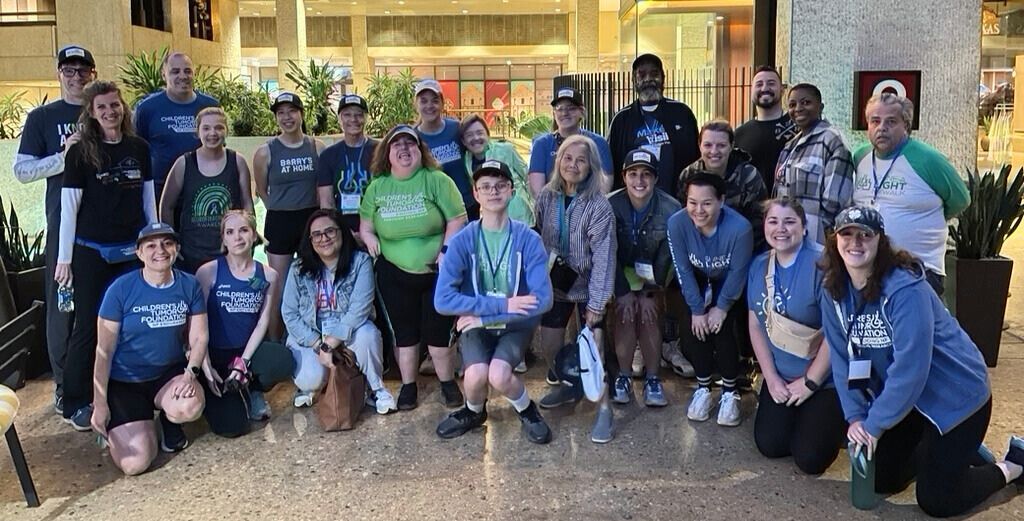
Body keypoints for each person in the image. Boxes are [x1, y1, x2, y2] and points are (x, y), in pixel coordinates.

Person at [819, 206, 1023, 517]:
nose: (855, 242)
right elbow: (841, 359)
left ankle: (1012, 465)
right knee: (882, 479)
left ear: (880, 241)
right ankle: (954, 453)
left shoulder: (905, 289)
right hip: (910, 404)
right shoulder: (833, 291)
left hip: (956, 397)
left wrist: (874, 426)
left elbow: (910, 371)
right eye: (847, 234)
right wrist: (856, 418)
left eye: (865, 234)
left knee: (937, 500)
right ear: (835, 240)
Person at [54, 80, 157, 431]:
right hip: (90, 253)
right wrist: (64, 258)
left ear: (123, 108)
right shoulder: (81, 153)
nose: (110, 112)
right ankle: (74, 400)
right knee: (87, 326)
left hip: (130, 251)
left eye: (115, 105)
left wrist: (154, 241)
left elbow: (148, 201)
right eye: (102, 108)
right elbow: (69, 207)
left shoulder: (139, 148)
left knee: (127, 323)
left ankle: (119, 391)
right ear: (92, 113)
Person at [433, 160, 554, 443]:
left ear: (511, 191)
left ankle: (527, 409)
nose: (493, 192)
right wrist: (500, 306)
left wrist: (485, 316)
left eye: (500, 185)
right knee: (475, 376)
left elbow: (544, 299)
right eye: (485, 187)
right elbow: (442, 300)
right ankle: (474, 411)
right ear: (475, 194)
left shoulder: (528, 239)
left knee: (499, 375)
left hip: (513, 325)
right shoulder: (463, 241)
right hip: (480, 323)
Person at [13, 45, 97, 415]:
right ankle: (65, 385)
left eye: (82, 70)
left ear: (92, 74)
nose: (75, 76)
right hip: (64, 230)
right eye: (69, 69)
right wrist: (63, 158)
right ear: (59, 72)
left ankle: (104, 380)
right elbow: (22, 171)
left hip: (104, 230)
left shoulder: (104, 110)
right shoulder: (42, 118)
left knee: (104, 306)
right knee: (63, 308)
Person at [359, 125, 467, 410]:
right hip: (393, 273)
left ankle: (447, 382)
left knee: (438, 333)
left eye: (411, 144)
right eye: (397, 144)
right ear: (387, 153)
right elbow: (366, 226)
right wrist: (370, 239)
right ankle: (408, 385)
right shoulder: (378, 186)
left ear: (421, 151)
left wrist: (445, 250)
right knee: (404, 334)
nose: (404, 149)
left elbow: (457, 219)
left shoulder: (437, 180)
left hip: (435, 272)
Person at [91, 223, 212, 474]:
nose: (160, 250)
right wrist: (99, 403)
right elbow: (104, 351)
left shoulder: (189, 285)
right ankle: (139, 424)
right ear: (139, 253)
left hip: (168, 373)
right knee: (135, 464)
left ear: (176, 248)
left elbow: (199, 337)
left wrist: (191, 373)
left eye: (167, 243)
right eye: (151, 245)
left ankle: (169, 422)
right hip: (126, 381)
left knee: (188, 406)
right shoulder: (120, 290)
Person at [748, 199, 845, 474]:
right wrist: (771, 377)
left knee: (810, 460)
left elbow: (835, 333)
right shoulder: (758, 266)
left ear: (804, 228)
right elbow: (755, 323)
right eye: (773, 221)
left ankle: (838, 420)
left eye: (790, 221)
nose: (781, 229)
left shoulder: (822, 266)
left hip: (823, 380)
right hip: (781, 374)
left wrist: (810, 382)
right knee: (770, 444)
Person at [534, 134, 616, 444]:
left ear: (591, 167)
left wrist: (597, 303)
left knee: (594, 349)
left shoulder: (599, 207)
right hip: (554, 286)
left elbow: (605, 259)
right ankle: (569, 385)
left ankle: (604, 409)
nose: (573, 165)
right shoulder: (546, 196)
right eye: (568, 158)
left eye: (581, 160)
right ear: (558, 162)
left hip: (588, 286)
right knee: (551, 344)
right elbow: (538, 238)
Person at [852, 93, 969, 296]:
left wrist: (922, 218)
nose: (882, 128)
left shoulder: (928, 159)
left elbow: (960, 200)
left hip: (918, 271)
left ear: (905, 125)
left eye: (891, 121)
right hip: (869, 270)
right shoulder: (859, 156)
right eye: (875, 121)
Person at [283, 209, 396, 413]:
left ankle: (376, 388)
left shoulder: (360, 262)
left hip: (349, 332)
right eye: (316, 234)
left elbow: (359, 310)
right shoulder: (297, 269)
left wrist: (330, 344)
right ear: (310, 240)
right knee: (310, 379)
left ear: (342, 233)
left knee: (367, 334)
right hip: (311, 335)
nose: (323, 238)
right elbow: (289, 313)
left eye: (330, 232)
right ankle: (310, 388)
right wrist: (318, 344)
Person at [195, 211, 295, 433]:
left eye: (243, 230)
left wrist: (244, 362)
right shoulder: (207, 272)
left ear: (253, 235)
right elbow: (197, 323)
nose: (237, 237)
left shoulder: (268, 275)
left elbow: (263, 321)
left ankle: (252, 387)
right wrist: (204, 361)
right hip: (213, 353)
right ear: (223, 239)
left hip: (246, 351)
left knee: (283, 360)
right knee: (234, 428)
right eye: (230, 232)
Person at [667, 173, 753, 427]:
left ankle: (730, 391)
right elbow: (682, 268)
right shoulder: (677, 223)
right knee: (695, 327)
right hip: (696, 278)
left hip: (728, 283)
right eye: (692, 202)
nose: (698, 210)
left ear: (721, 201)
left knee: (722, 327)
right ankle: (703, 387)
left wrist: (722, 307)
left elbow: (739, 272)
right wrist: (696, 309)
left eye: (706, 203)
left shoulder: (740, 229)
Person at [608, 150, 681, 407]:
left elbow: (667, 257)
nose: (640, 180)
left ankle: (652, 378)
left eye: (646, 174)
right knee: (625, 311)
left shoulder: (672, 209)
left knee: (649, 311)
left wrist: (651, 290)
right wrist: (623, 291)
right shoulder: (610, 205)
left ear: (656, 178)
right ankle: (625, 376)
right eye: (633, 174)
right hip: (621, 267)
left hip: (655, 269)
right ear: (624, 177)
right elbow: (609, 252)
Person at [252, 92, 326, 339]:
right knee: (279, 286)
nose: (287, 117)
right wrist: (279, 206)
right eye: (281, 113)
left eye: (292, 111)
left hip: (310, 220)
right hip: (280, 221)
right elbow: (261, 189)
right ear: (276, 118)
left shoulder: (317, 147)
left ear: (301, 114)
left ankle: (315, 336)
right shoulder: (266, 152)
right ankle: (275, 340)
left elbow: (322, 185)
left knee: (315, 283)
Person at [159, 107, 254, 272]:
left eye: (219, 127)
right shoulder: (184, 163)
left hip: (229, 251)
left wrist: (249, 236)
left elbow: (247, 203)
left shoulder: (237, 161)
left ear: (226, 130)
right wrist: (171, 241)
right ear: (198, 132)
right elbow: (166, 205)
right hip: (192, 253)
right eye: (206, 128)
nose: (213, 133)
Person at [774, 83, 854, 248]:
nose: (798, 108)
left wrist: (814, 234)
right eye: (792, 105)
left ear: (820, 107)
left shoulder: (832, 140)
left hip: (816, 242)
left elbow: (835, 202)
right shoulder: (790, 146)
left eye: (806, 102)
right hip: (788, 239)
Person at [607, 53, 700, 196]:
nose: (648, 79)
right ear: (634, 81)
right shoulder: (621, 120)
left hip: (678, 199)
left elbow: (696, 159)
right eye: (642, 75)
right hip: (635, 202)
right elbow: (612, 166)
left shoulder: (682, 114)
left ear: (663, 78)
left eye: (654, 74)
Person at [133, 51, 219, 195]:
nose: (182, 76)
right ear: (163, 75)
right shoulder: (147, 108)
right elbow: (137, 151)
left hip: (202, 189)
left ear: (194, 73)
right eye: (175, 71)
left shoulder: (210, 105)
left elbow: (218, 147)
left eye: (187, 71)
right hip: (159, 189)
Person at [680, 120, 768, 249]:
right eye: (708, 145)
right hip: (700, 249)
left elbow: (759, 223)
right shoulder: (688, 175)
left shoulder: (748, 176)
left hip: (740, 248)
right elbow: (684, 218)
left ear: (731, 146)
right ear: (699, 146)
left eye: (721, 145)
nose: (714, 151)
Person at [527, 87, 614, 197]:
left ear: (581, 112)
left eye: (571, 108)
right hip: (551, 207)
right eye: (559, 108)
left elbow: (605, 184)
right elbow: (537, 190)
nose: (565, 113)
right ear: (554, 113)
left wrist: (586, 208)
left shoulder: (598, 143)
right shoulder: (542, 144)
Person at [413, 79, 475, 219]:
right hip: (434, 210)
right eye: (424, 101)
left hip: (466, 205)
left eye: (435, 101)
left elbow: (476, 155)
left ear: (442, 103)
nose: (430, 106)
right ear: (416, 104)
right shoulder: (412, 137)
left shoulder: (457, 128)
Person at [317, 94, 378, 234]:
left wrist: (370, 232)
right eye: (347, 115)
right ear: (339, 119)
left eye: (359, 115)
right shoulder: (328, 155)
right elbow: (327, 202)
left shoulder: (380, 150)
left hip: (376, 225)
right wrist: (342, 232)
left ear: (366, 118)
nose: (353, 120)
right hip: (342, 228)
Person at [458, 114, 534, 226]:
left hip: (519, 215)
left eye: (480, 133)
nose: (476, 138)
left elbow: (528, 176)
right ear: (464, 141)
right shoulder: (466, 160)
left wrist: (534, 204)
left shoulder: (506, 149)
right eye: (469, 135)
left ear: (487, 135)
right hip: (494, 220)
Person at [734, 65, 798, 192]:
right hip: (753, 208)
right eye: (759, 84)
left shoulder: (798, 127)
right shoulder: (739, 134)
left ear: (782, 90)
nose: (765, 88)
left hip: (790, 206)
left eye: (771, 83)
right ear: (751, 91)